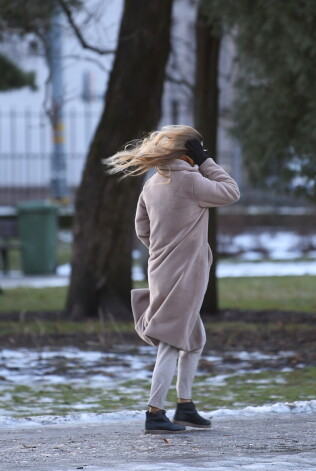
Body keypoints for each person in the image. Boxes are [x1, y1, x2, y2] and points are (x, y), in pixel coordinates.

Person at [104, 124, 240, 434]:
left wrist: (165, 249)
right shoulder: (192, 181)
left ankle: (186, 407)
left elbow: (142, 229)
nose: (203, 154)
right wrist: (206, 163)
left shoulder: (152, 184)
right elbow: (231, 191)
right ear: (189, 152)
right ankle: (155, 413)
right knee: (171, 342)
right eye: (199, 149)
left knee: (194, 341)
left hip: (161, 270)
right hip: (185, 275)